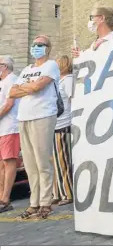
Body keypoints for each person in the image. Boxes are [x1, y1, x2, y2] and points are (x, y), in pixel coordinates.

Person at [9, 35, 60, 220]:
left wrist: (28, 87)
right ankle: (34, 203)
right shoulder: (27, 69)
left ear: (48, 48)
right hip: (24, 117)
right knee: (30, 164)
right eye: (34, 44)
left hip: (43, 116)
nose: (36, 47)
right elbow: (12, 92)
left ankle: (46, 201)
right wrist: (28, 87)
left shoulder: (50, 65)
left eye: (40, 44)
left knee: (42, 162)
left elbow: (38, 86)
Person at [52, 55, 73, 206]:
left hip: (64, 124)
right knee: (55, 163)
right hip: (54, 125)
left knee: (64, 160)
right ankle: (57, 192)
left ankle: (68, 192)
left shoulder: (68, 80)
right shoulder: (57, 82)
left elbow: (73, 100)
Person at [0, 56, 20, 213]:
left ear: (4, 66)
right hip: (2, 129)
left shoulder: (12, 80)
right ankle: (1, 197)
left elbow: (9, 104)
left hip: (10, 128)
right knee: (1, 165)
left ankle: (5, 199)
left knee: (9, 162)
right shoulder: (2, 83)